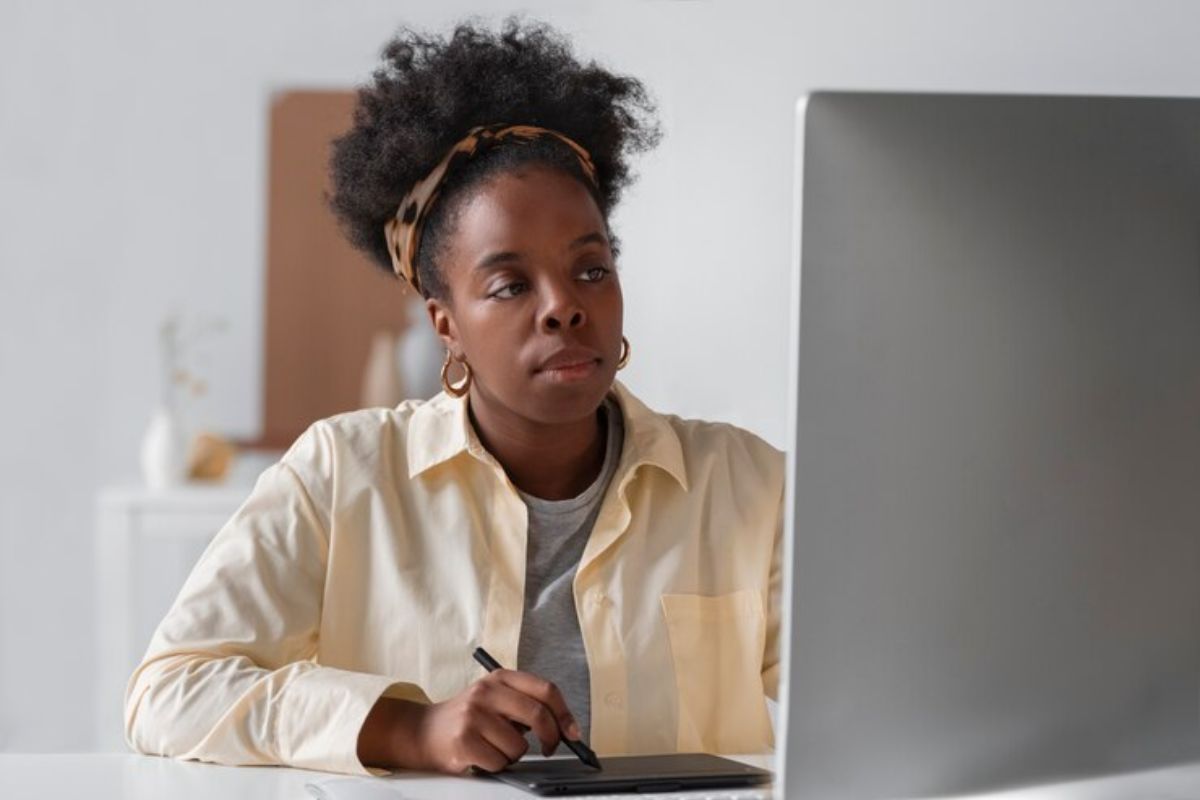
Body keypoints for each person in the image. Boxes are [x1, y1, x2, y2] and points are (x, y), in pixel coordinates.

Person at [124, 17, 784, 777]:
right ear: (447, 326)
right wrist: (410, 729)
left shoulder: (751, 487)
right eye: (508, 284)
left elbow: (883, 696)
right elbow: (168, 690)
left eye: (591, 270)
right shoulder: (342, 473)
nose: (563, 306)